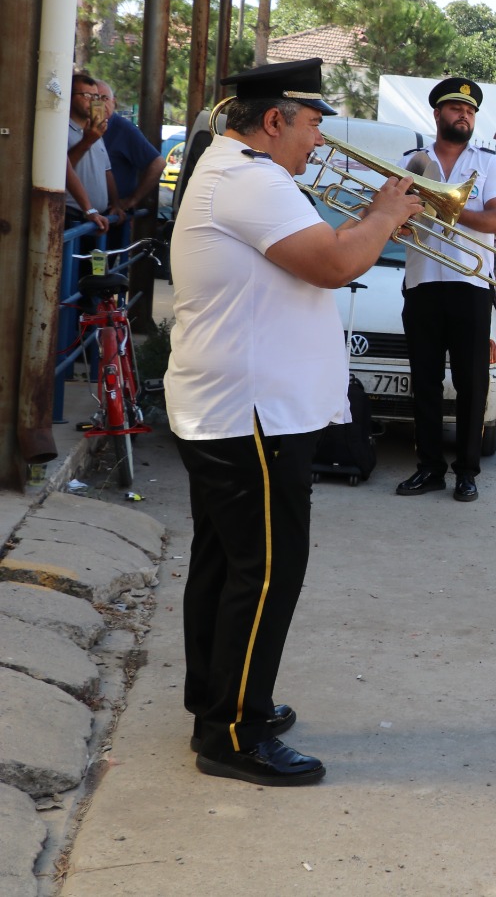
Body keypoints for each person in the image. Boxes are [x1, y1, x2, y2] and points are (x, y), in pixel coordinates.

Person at [167, 57, 422, 785]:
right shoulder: (250, 178)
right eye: (313, 125)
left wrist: (373, 216)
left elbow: (312, 249)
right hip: (254, 414)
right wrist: (384, 214)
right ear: (275, 120)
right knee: (266, 570)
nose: (319, 142)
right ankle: (235, 736)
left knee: (225, 563)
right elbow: (333, 265)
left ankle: (219, 703)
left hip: (239, 407)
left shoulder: (242, 172)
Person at [393, 77, 496, 503]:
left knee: (471, 382)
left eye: (469, 111)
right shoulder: (412, 162)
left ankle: (467, 472)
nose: (463, 115)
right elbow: (394, 220)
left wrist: (449, 206)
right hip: (423, 282)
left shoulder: (490, 163)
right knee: (424, 381)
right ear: (438, 115)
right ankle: (428, 468)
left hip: (470, 284)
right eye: (454, 109)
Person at [98, 81, 165, 218]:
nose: (99, 104)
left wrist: (133, 199)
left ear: (113, 102)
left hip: (112, 215)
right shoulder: (82, 126)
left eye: (104, 98)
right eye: (94, 99)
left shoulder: (123, 129)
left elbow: (158, 163)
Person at [66, 72, 114, 233]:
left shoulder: (94, 130)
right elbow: (62, 169)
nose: (92, 101)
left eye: (96, 96)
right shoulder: (61, 129)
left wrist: (117, 204)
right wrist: (86, 141)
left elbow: (106, 170)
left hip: (96, 217)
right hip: (72, 216)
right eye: (86, 95)